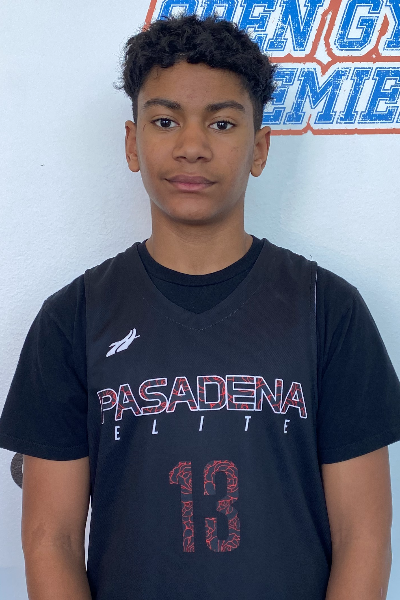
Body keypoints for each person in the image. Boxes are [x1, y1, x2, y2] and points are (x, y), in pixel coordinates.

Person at [1, 13, 400, 600]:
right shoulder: (72, 319)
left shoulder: (328, 310)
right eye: (165, 121)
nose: (192, 147)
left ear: (259, 148)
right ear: (133, 143)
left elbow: (364, 536)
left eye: (222, 123)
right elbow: (49, 539)